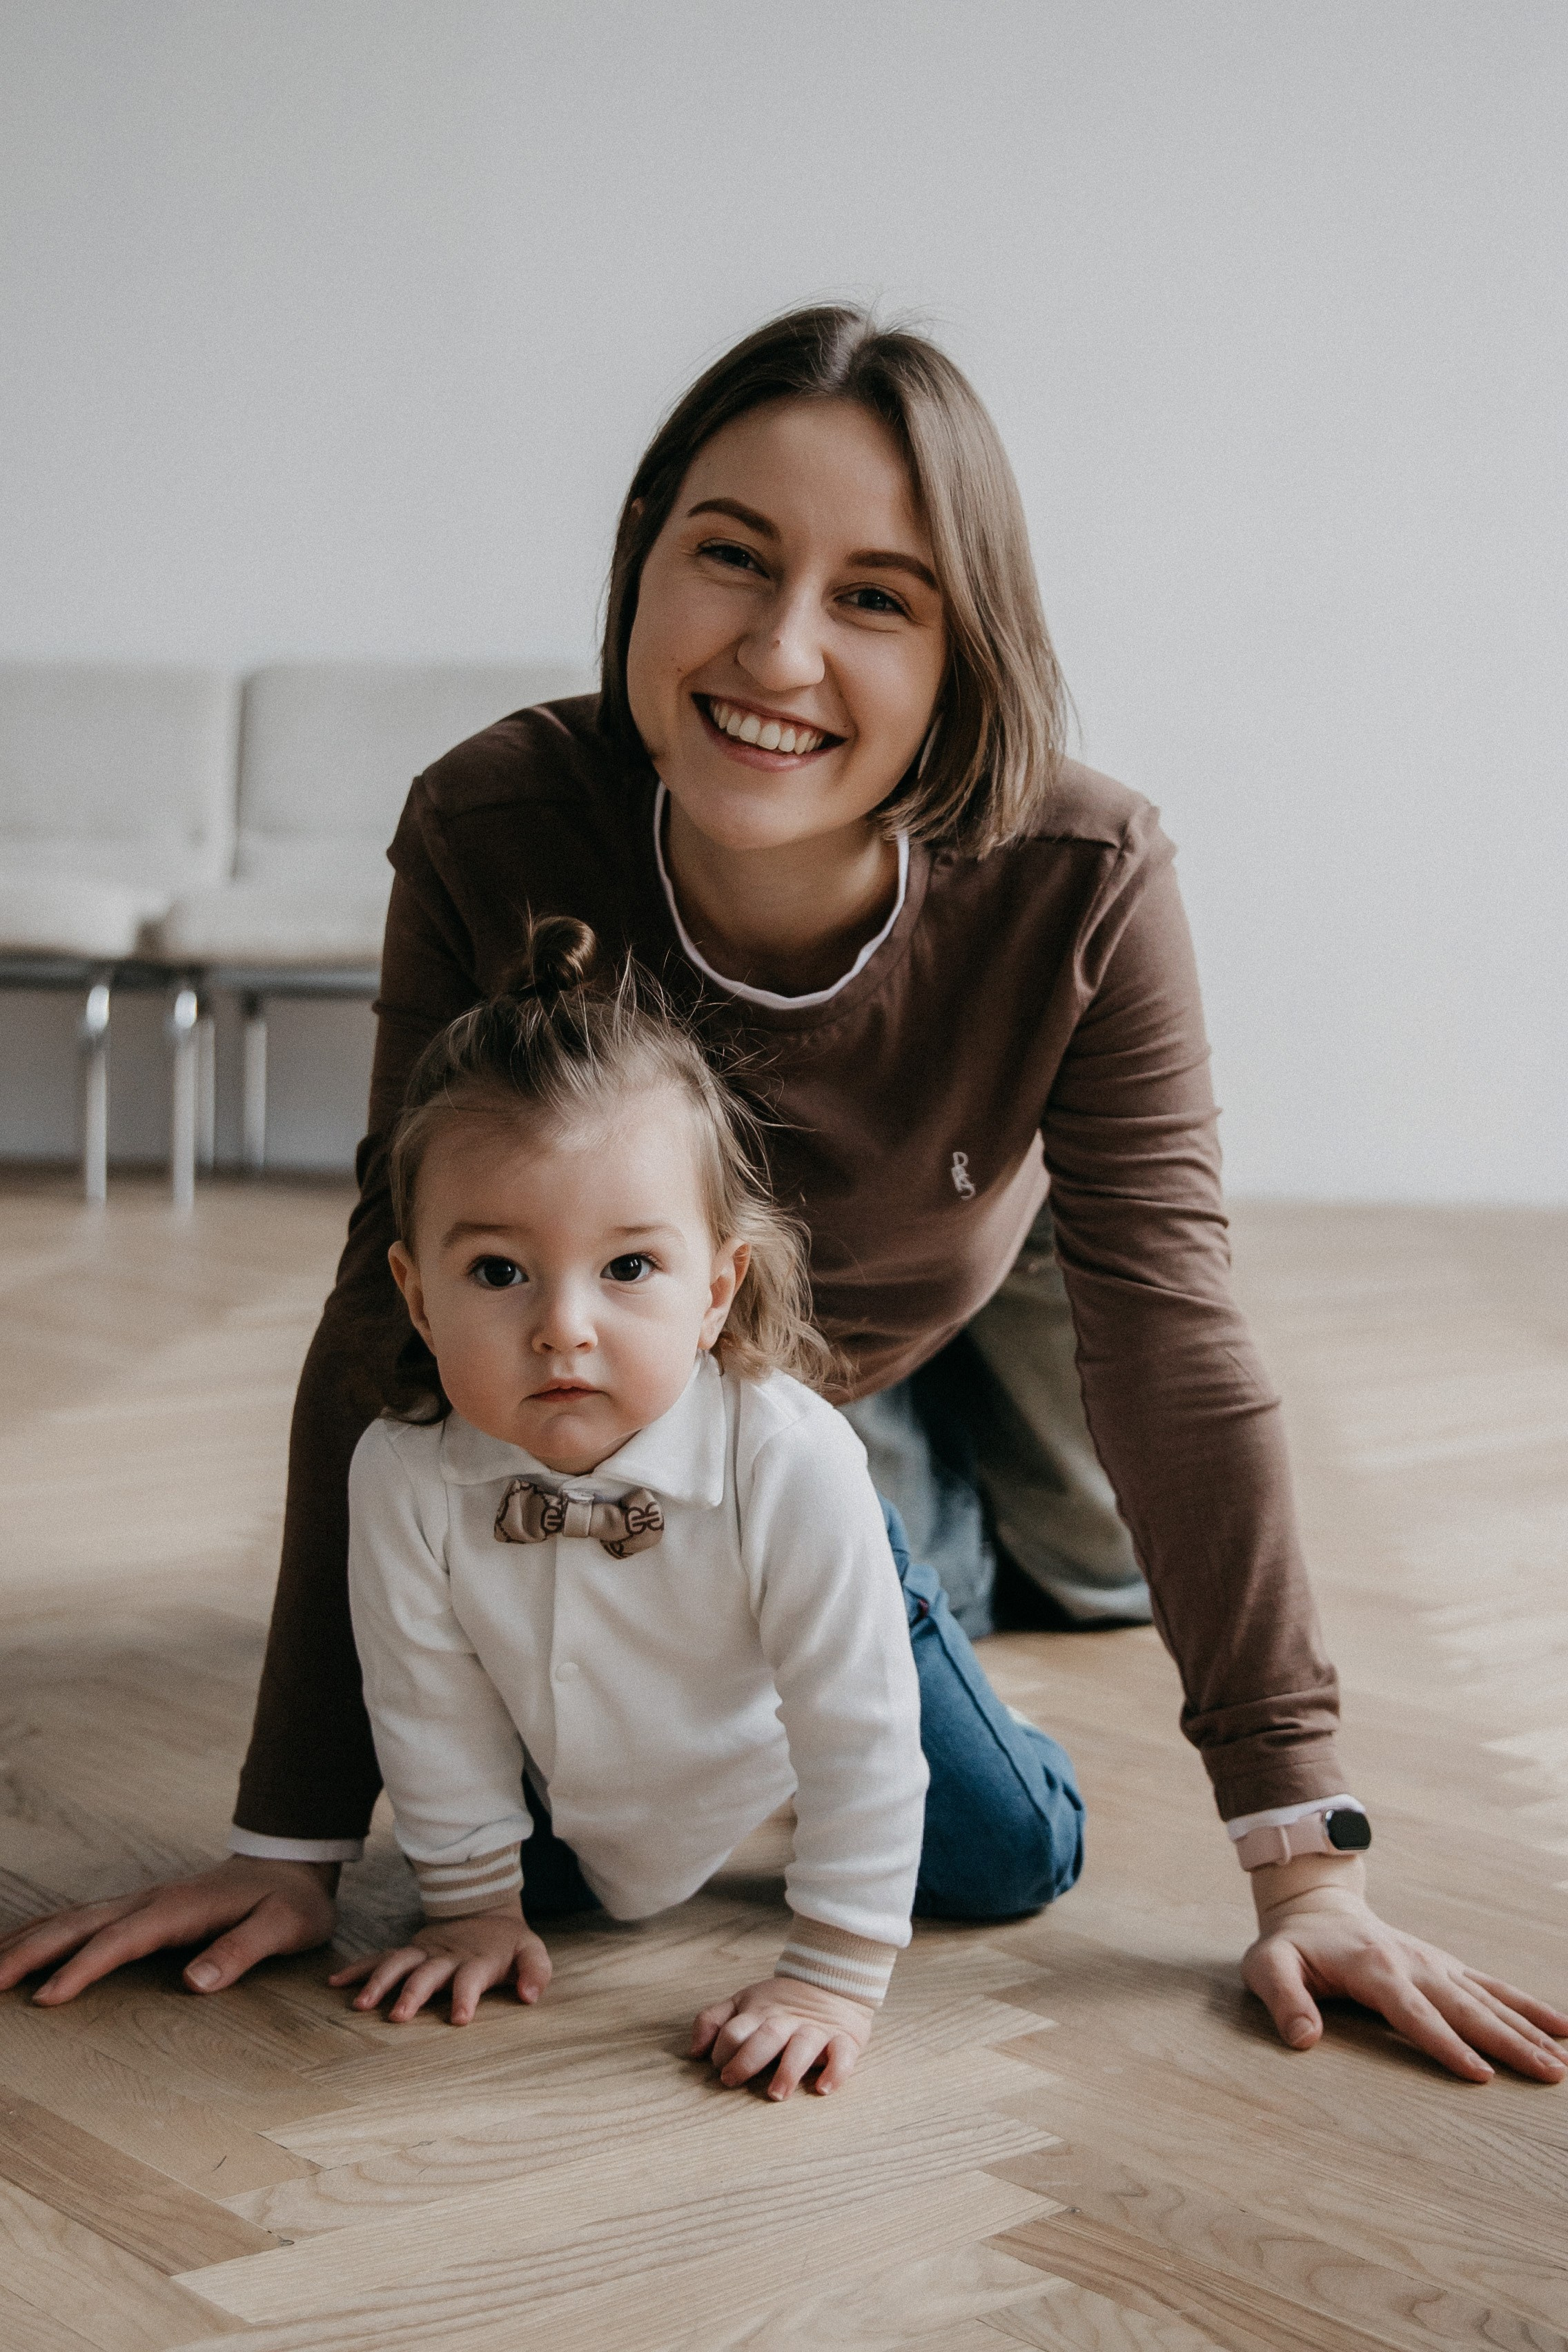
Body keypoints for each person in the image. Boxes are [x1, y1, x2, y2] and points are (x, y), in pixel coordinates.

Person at [3, 306, 1562, 2088]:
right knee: (793, 1501)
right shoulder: (494, 821)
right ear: (644, 553)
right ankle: (898, 1461)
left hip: (1002, 1257)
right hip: (731, 1346)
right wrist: (288, 1842)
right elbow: (394, 1288)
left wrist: (1309, 1872)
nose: (780, 649)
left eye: (878, 597)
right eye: (731, 558)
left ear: (967, 646)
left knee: (1094, 1562)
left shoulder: (1086, 872)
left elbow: (1180, 1345)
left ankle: (973, 1440)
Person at [325, 915, 1080, 2097]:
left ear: (718, 1289)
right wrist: (473, 1905)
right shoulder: (400, 1475)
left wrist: (830, 1972)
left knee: (1010, 1860)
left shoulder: (792, 1459)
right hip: (607, 1729)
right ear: (418, 1298)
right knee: (574, 1895)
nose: (562, 1325)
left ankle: (940, 1587)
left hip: (819, 1599)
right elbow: (424, 1701)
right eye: (496, 1272)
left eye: (629, 1268)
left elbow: (856, 1727)